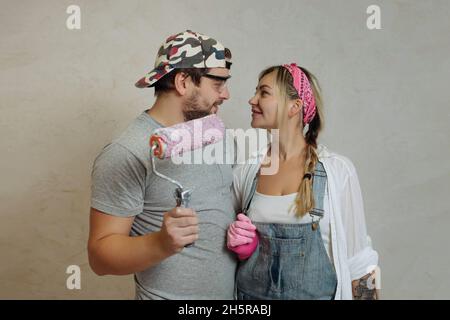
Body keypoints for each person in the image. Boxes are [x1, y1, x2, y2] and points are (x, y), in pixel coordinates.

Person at [88, 30, 237, 299]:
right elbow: (99, 257)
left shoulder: (212, 132)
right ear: (183, 82)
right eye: (218, 83)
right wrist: (161, 243)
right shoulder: (128, 151)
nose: (226, 94)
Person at [227, 63, 379, 300]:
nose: (252, 100)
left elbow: (360, 260)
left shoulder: (338, 171)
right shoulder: (246, 172)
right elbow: (228, 253)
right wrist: (239, 247)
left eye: (263, 93)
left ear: (294, 106)